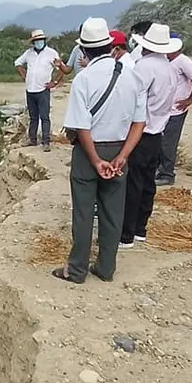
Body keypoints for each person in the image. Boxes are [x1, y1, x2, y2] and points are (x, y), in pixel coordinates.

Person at [52, 17, 146, 284]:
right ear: (109, 46)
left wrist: (95, 160)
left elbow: (81, 127)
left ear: (84, 50)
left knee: (83, 212)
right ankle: (106, 267)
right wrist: (122, 156)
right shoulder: (133, 76)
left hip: (88, 151)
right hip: (120, 149)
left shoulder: (84, 80)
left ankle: (77, 269)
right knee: (113, 211)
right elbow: (140, 123)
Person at [119, 23, 179, 250]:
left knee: (132, 183)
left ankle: (126, 234)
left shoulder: (144, 67)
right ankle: (140, 229)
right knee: (147, 183)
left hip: (140, 131)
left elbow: (132, 97)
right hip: (157, 131)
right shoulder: (169, 68)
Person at [155, 32, 192, 186]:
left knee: (169, 143)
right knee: (161, 141)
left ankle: (167, 174)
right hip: (165, 109)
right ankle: (161, 168)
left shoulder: (182, 61)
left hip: (176, 110)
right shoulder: (166, 60)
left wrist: (190, 98)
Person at [15, 30, 61, 151]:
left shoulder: (51, 53)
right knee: (33, 117)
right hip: (30, 89)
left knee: (44, 116)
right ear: (33, 42)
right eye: (36, 41)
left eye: (40, 40)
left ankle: (46, 142)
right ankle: (32, 139)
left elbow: (61, 68)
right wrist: (23, 75)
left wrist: (54, 82)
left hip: (43, 89)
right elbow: (17, 63)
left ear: (44, 40)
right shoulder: (28, 53)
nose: (38, 42)